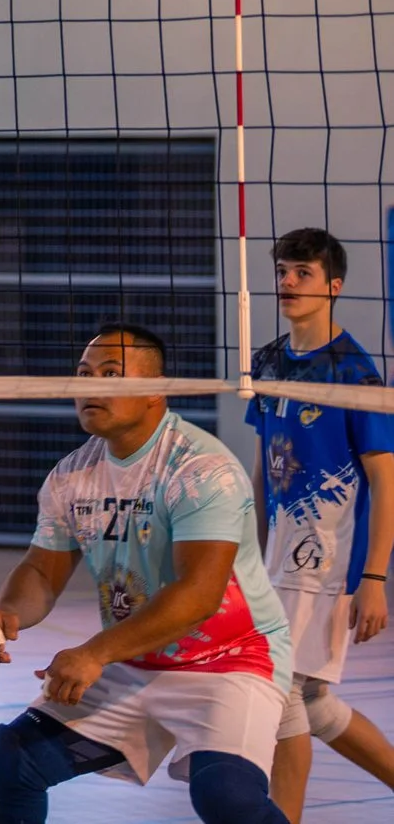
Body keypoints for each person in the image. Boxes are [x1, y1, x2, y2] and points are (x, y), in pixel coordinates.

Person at [0, 324, 294, 824]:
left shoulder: (201, 468)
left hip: (231, 660)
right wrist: (9, 611)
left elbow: (199, 595)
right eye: (84, 374)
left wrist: (93, 653)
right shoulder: (71, 475)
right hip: (135, 657)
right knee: (10, 761)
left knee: (227, 797)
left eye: (111, 374)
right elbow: (42, 570)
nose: (91, 386)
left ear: (155, 390)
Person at [247, 228, 394, 819]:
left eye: (301, 273)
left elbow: (385, 482)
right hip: (275, 559)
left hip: (326, 564)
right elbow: (264, 466)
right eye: (282, 271)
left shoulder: (355, 374)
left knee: (282, 693)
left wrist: (375, 578)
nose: (287, 282)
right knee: (312, 702)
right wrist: (251, 556)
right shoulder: (268, 360)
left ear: (333, 286)